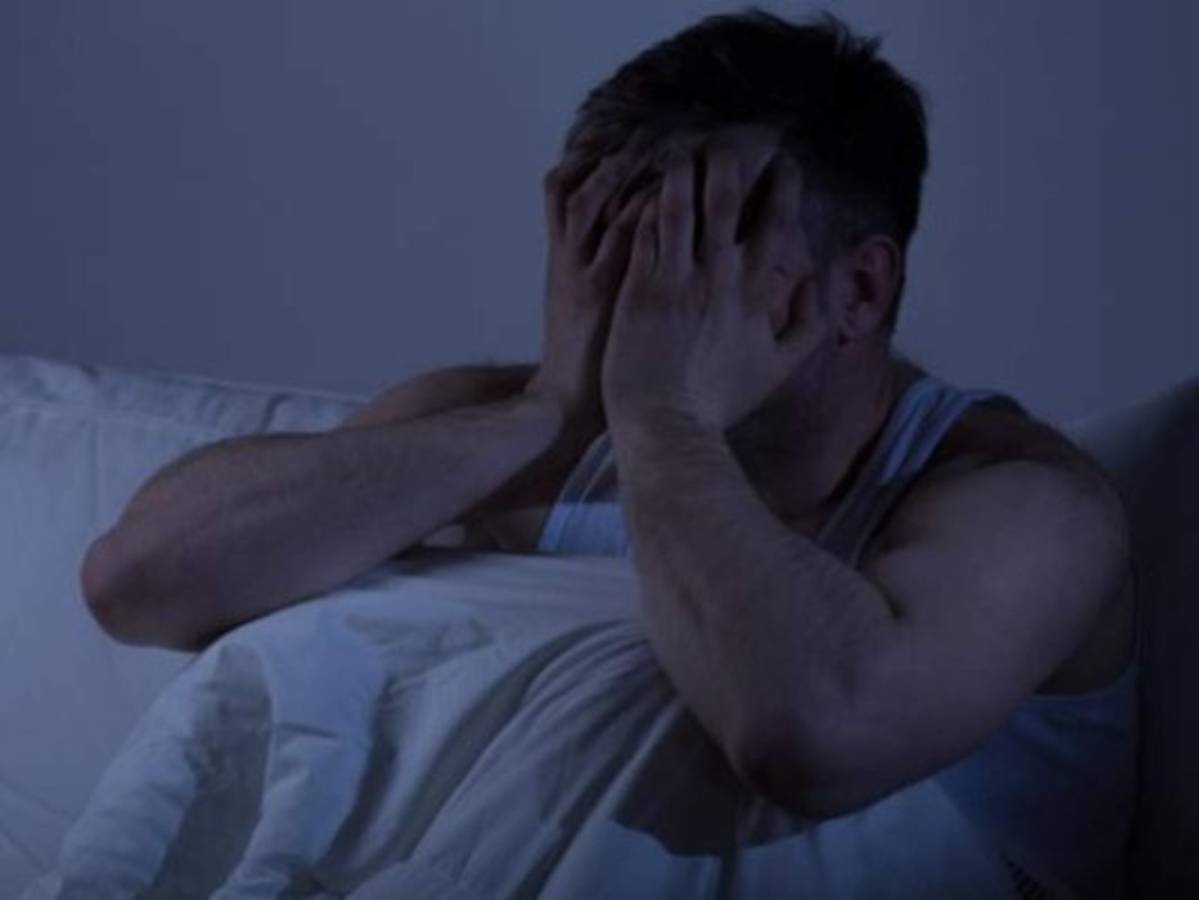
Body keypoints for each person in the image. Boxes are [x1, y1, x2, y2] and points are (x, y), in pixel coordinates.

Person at [80, 9, 1138, 898]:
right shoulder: (512, 428)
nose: (644, 294)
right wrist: (545, 408)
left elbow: (814, 733)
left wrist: (663, 422)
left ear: (858, 290)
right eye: (612, 240)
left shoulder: (1023, 508)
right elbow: (139, 581)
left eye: (697, 247)